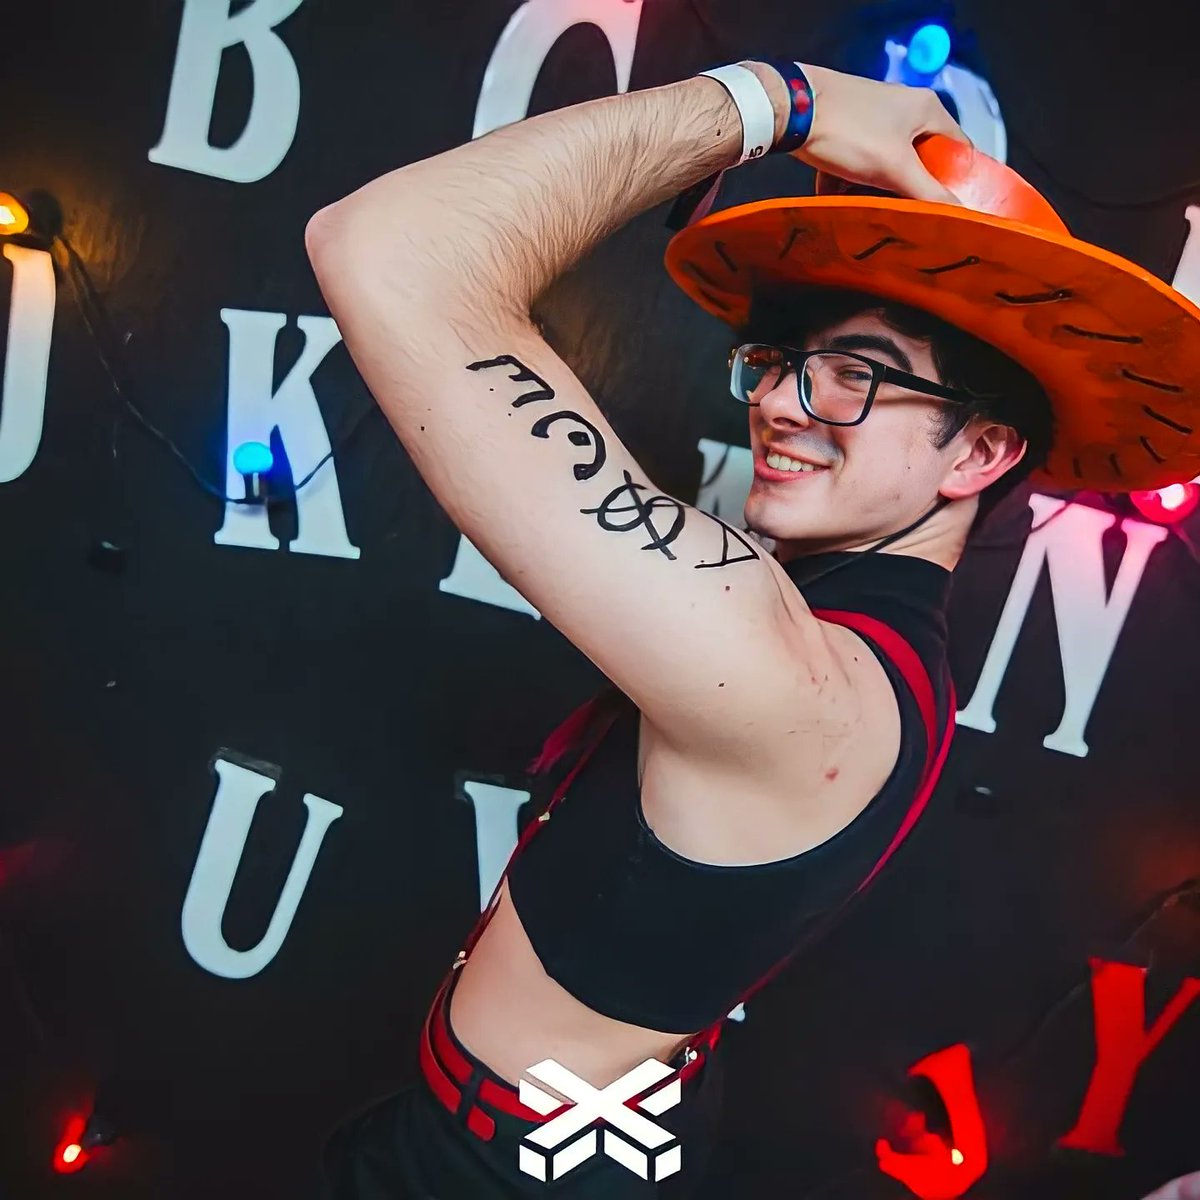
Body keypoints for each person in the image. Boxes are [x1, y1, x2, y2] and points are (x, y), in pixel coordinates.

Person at [305, 54, 1200, 1199]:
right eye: (778, 365)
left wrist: (785, 97)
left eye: (855, 376)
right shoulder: (866, 653)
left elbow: (382, 243)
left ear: (979, 452)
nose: (777, 402)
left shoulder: (791, 667)